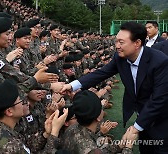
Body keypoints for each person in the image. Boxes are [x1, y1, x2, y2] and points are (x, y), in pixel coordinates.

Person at [60, 21, 168, 153]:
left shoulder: (159, 61)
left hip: (161, 118)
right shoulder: (120, 57)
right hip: (142, 115)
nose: (117, 46)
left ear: (137, 43)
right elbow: (102, 73)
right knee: (146, 149)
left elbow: (158, 99)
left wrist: (136, 127)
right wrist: (71, 86)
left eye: (121, 42)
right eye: (116, 41)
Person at [63, 90, 137, 154]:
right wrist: (128, 147)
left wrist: (120, 145)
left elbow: (98, 148)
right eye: (101, 109)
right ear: (98, 117)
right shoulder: (89, 149)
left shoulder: (72, 129)